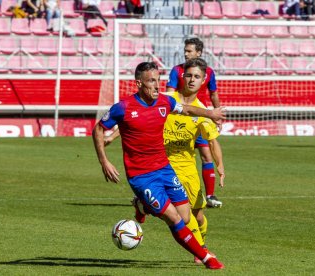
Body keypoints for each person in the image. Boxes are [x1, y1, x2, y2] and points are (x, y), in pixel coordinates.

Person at [93, 62, 225, 269]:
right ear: (138, 83)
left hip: (165, 169)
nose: (157, 86)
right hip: (141, 176)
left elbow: (187, 110)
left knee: (185, 216)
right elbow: (98, 130)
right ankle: (206, 257)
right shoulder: (123, 107)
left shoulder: (164, 102)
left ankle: (142, 206)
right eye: (151, 81)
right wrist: (104, 161)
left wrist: (211, 114)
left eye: (158, 80)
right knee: (174, 219)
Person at [164, 58, 225, 264]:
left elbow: (213, 141)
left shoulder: (203, 112)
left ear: (203, 81)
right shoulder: (166, 99)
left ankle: (202, 244)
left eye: (197, 77)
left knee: (198, 216)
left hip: (187, 168)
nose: (192, 79)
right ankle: (201, 253)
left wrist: (220, 166)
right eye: (189, 75)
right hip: (162, 165)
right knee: (182, 215)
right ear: (182, 76)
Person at [166, 38, 222, 208]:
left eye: (189, 51)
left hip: (201, 119)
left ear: (198, 52)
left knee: (206, 154)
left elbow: (213, 94)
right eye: (185, 50)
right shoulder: (177, 70)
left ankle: (210, 195)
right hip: (181, 117)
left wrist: (215, 114)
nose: (186, 53)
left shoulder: (209, 72)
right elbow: (170, 95)